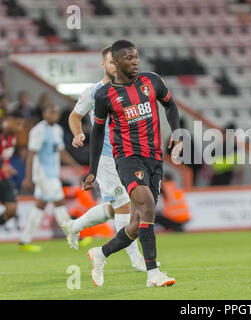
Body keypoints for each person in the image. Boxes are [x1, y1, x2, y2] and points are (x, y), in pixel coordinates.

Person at [82, 40, 182, 288]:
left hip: (154, 159)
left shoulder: (152, 82)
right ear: (115, 63)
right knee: (147, 205)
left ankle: (101, 253)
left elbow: (170, 105)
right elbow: (97, 133)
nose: (135, 61)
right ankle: (153, 274)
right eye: (128, 58)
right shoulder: (104, 96)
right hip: (127, 159)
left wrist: (178, 134)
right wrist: (92, 170)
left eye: (136, 57)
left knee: (137, 224)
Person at [62, 46, 147, 273]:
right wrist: (78, 133)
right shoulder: (94, 91)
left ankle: (75, 226)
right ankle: (136, 260)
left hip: (130, 156)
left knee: (116, 207)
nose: (115, 66)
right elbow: (75, 116)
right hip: (106, 158)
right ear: (103, 64)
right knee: (125, 206)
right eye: (111, 62)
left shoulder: (131, 90)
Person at [19, 104, 83, 252]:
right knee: (59, 202)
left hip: (53, 172)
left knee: (40, 205)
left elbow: (61, 152)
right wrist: (28, 177)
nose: (54, 114)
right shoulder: (38, 131)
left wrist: (75, 165)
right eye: (50, 111)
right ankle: (74, 235)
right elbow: (31, 154)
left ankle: (24, 240)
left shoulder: (58, 130)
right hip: (42, 173)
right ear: (44, 113)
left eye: (56, 112)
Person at [0, 111, 25, 226]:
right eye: (18, 124)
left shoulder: (12, 138)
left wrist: (7, 167)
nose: (20, 128)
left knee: (12, 209)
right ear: (9, 122)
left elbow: (4, 158)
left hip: (3, 178)